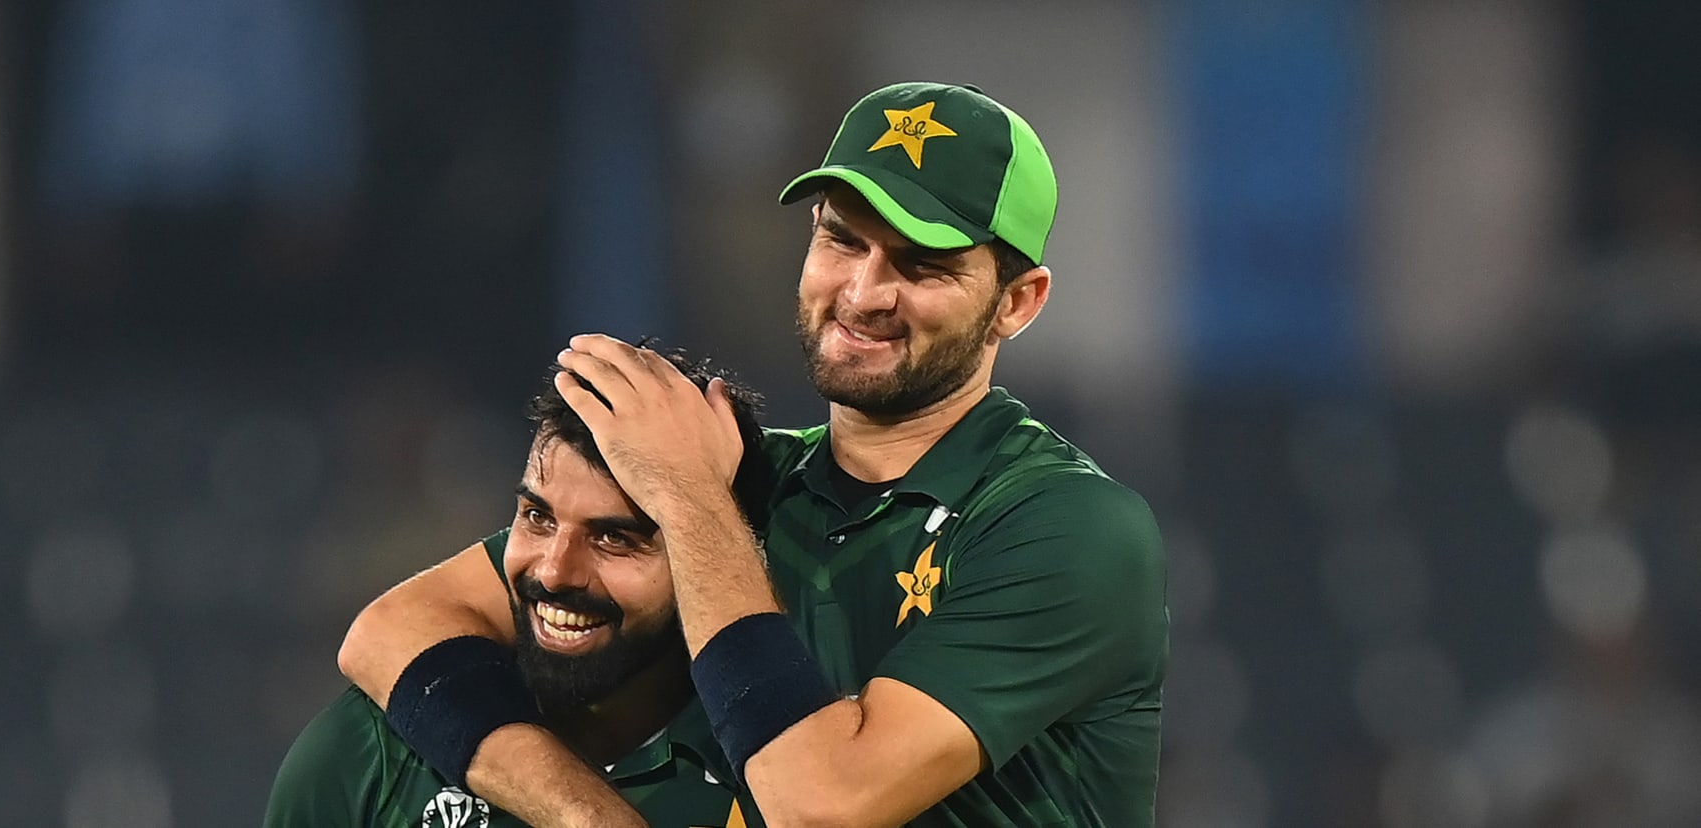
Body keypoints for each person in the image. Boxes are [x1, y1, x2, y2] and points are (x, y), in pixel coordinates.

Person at [341, 81, 1169, 827]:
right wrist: (588, 819)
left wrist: (692, 500)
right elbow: (391, 631)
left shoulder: (1066, 526)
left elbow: (821, 805)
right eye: (842, 241)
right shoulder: (751, 477)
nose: (863, 293)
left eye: (921, 265)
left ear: (1016, 303)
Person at [267, 353, 771, 828]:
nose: (554, 572)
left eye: (615, 538)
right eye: (538, 517)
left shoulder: (774, 777)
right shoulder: (371, 753)